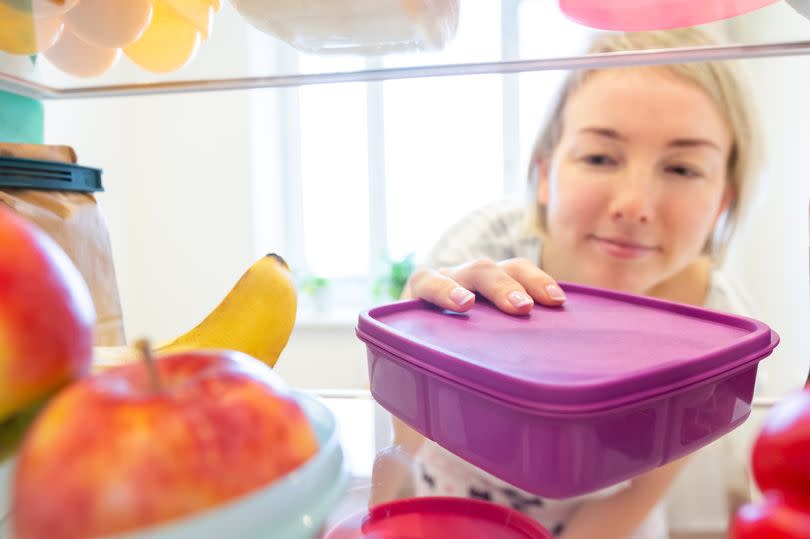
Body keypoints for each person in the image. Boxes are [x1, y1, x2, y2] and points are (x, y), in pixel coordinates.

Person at [369, 27, 762, 539]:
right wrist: (407, 359)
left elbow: (638, 496)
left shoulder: (718, 323)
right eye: (600, 157)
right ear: (547, 173)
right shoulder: (483, 249)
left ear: (723, 202)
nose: (633, 206)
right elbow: (399, 459)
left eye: (684, 168)